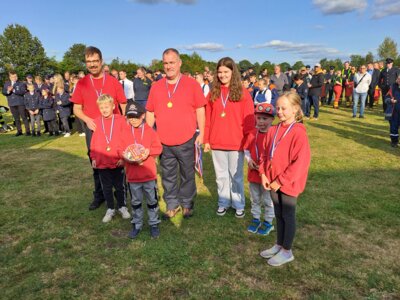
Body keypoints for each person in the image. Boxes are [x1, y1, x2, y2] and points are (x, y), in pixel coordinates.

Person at [146, 48, 206, 219]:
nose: (169, 66)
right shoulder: (156, 86)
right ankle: (172, 205)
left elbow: (200, 109)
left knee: (187, 174)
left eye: (172, 62)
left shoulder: (191, 84)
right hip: (164, 141)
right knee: (168, 176)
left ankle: (187, 203)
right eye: (165, 63)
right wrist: (147, 136)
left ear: (179, 63)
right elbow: (150, 112)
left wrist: (202, 133)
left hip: (186, 139)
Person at [71, 46, 127, 211]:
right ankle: (100, 195)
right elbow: (76, 109)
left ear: (101, 62)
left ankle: (121, 196)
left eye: (95, 61)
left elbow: (123, 103)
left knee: (119, 161)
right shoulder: (81, 83)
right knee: (96, 163)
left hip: (114, 128)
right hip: (94, 129)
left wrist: (125, 123)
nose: (92, 64)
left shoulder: (112, 81)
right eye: (89, 62)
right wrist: (88, 120)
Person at [259, 91, 311, 267]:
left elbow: (300, 163)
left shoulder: (298, 133)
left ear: (295, 109)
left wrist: (280, 181)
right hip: (272, 181)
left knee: (287, 215)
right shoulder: (273, 129)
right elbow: (264, 155)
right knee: (278, 214)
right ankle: (279, 244)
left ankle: (287, 251)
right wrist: (263, 173)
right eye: (278, 108)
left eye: (284, 108)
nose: (279, 111)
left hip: (288, 183)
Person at [204, 57, 255, 218]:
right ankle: (223, 202)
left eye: (226, 72)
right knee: (220, 176)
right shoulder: (213, 92)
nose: (222, 75)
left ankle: (238, 203)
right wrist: (206, 139)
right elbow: (207, 118)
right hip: (217, 141)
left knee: (236, 176)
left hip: (236, 142)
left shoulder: (243, 93)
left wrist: (248, 142)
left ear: (233, 72)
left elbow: (249, 119)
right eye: (219, 72)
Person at [120, 102, 162, 239]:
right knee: (136, 202)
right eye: (130, 117)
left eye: (136, 117)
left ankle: (154, 223)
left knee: (152, 201)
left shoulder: (150, 131)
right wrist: (126, 156)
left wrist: (149, 152)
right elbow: (119, 149)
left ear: (143, 116)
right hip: (133, 176)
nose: (133, 120)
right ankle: (137, 224)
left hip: (148, 175)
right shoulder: (125, 132)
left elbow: (158, 148)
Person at [90, 94, 130, 223]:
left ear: (113, 106)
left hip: (117, 160)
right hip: (102, 161)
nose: (104, 109)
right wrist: (94, 157)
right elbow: (94, 142)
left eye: (106, 106)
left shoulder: (121, 120)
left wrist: (123, 157)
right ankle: (110, 208)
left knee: (120, 186)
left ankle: (122, 206)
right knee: (106, 186)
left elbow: (126, 139)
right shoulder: (96, 122)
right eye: (101, 107)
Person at [245, 102, 275, 235]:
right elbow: (246, 149)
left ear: (272, 119)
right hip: (253, 173)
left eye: (265, 118)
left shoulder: (274, 134)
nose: (261, 121)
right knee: (255, 198)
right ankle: (256, 218)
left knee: (268, 200)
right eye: (259, 118)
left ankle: (268, 221)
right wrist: (249, 160)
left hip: (268, 175)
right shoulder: (252, 133)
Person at [2, 71, 29, 136]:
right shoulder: (6, 83)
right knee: (16, 118)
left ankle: (28, 131)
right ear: (10, 77)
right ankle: (19, 131)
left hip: (20, 103)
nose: (15, 78)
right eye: (13, 77)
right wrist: (8, 91)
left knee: (24, 117)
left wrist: (13, 90)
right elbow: (3, 92)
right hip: (12, 103)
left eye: (16, 76)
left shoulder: (21, 83)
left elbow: (23, 92)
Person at [384, 75, 400, 147]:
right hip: (394, 112)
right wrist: (390, 100)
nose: (399, 80)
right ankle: (394, 141)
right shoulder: (393, 87)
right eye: (398, 79)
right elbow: (386, 98)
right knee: (393, 127)